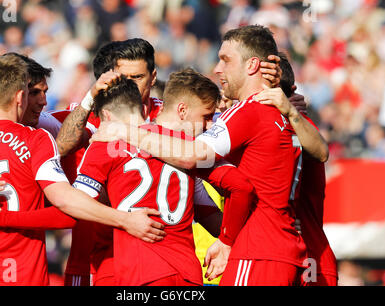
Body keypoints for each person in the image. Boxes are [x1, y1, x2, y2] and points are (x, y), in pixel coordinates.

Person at [91, 25, 308, 286]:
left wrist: (122, 131)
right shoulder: (281, 115)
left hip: (249, 253)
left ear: (251, 65)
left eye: (225, 60)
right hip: (252, 256)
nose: (217, 68)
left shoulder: (245, 113)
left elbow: (193, 157)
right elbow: (321, 152)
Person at [0, 53, 165, 285]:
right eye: (33, 92)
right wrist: (125, 220)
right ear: (20, 96)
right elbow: (67, 210)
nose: (43, 101)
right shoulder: (37, 139)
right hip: (24, 277)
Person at [75, 74, 254, 286]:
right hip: (188, 274)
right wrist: (228, 240)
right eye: (206, 117)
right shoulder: (191, 151)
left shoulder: (108, 140)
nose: (208, 126)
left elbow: (72, 205)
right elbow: (239, 188)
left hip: (140, 272)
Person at [259, 53, 337, 286]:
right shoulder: (269, 125)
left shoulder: (300, 127)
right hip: (284, 255)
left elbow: (322, 153)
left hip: (307, 259)